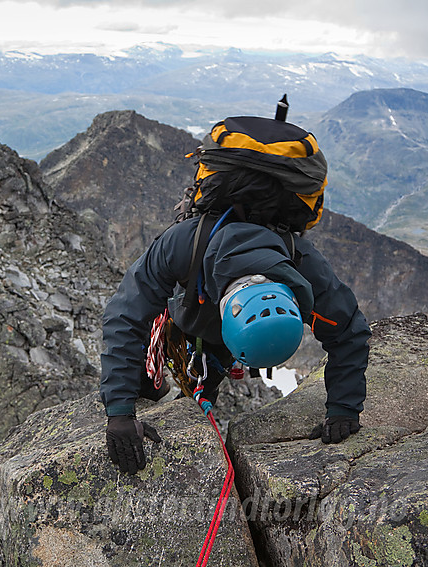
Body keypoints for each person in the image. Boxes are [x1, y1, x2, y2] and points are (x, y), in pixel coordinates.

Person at [100, 120, 370, 475]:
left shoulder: (304, 266)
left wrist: (344, 409)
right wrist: (120, 412)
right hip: (185, 314)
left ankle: (194, 407)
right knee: (147, 379)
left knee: (205, 380)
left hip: (214, 338)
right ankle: (153, 390)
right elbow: (126, 316)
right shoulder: (184, 243)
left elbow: (349, 332)